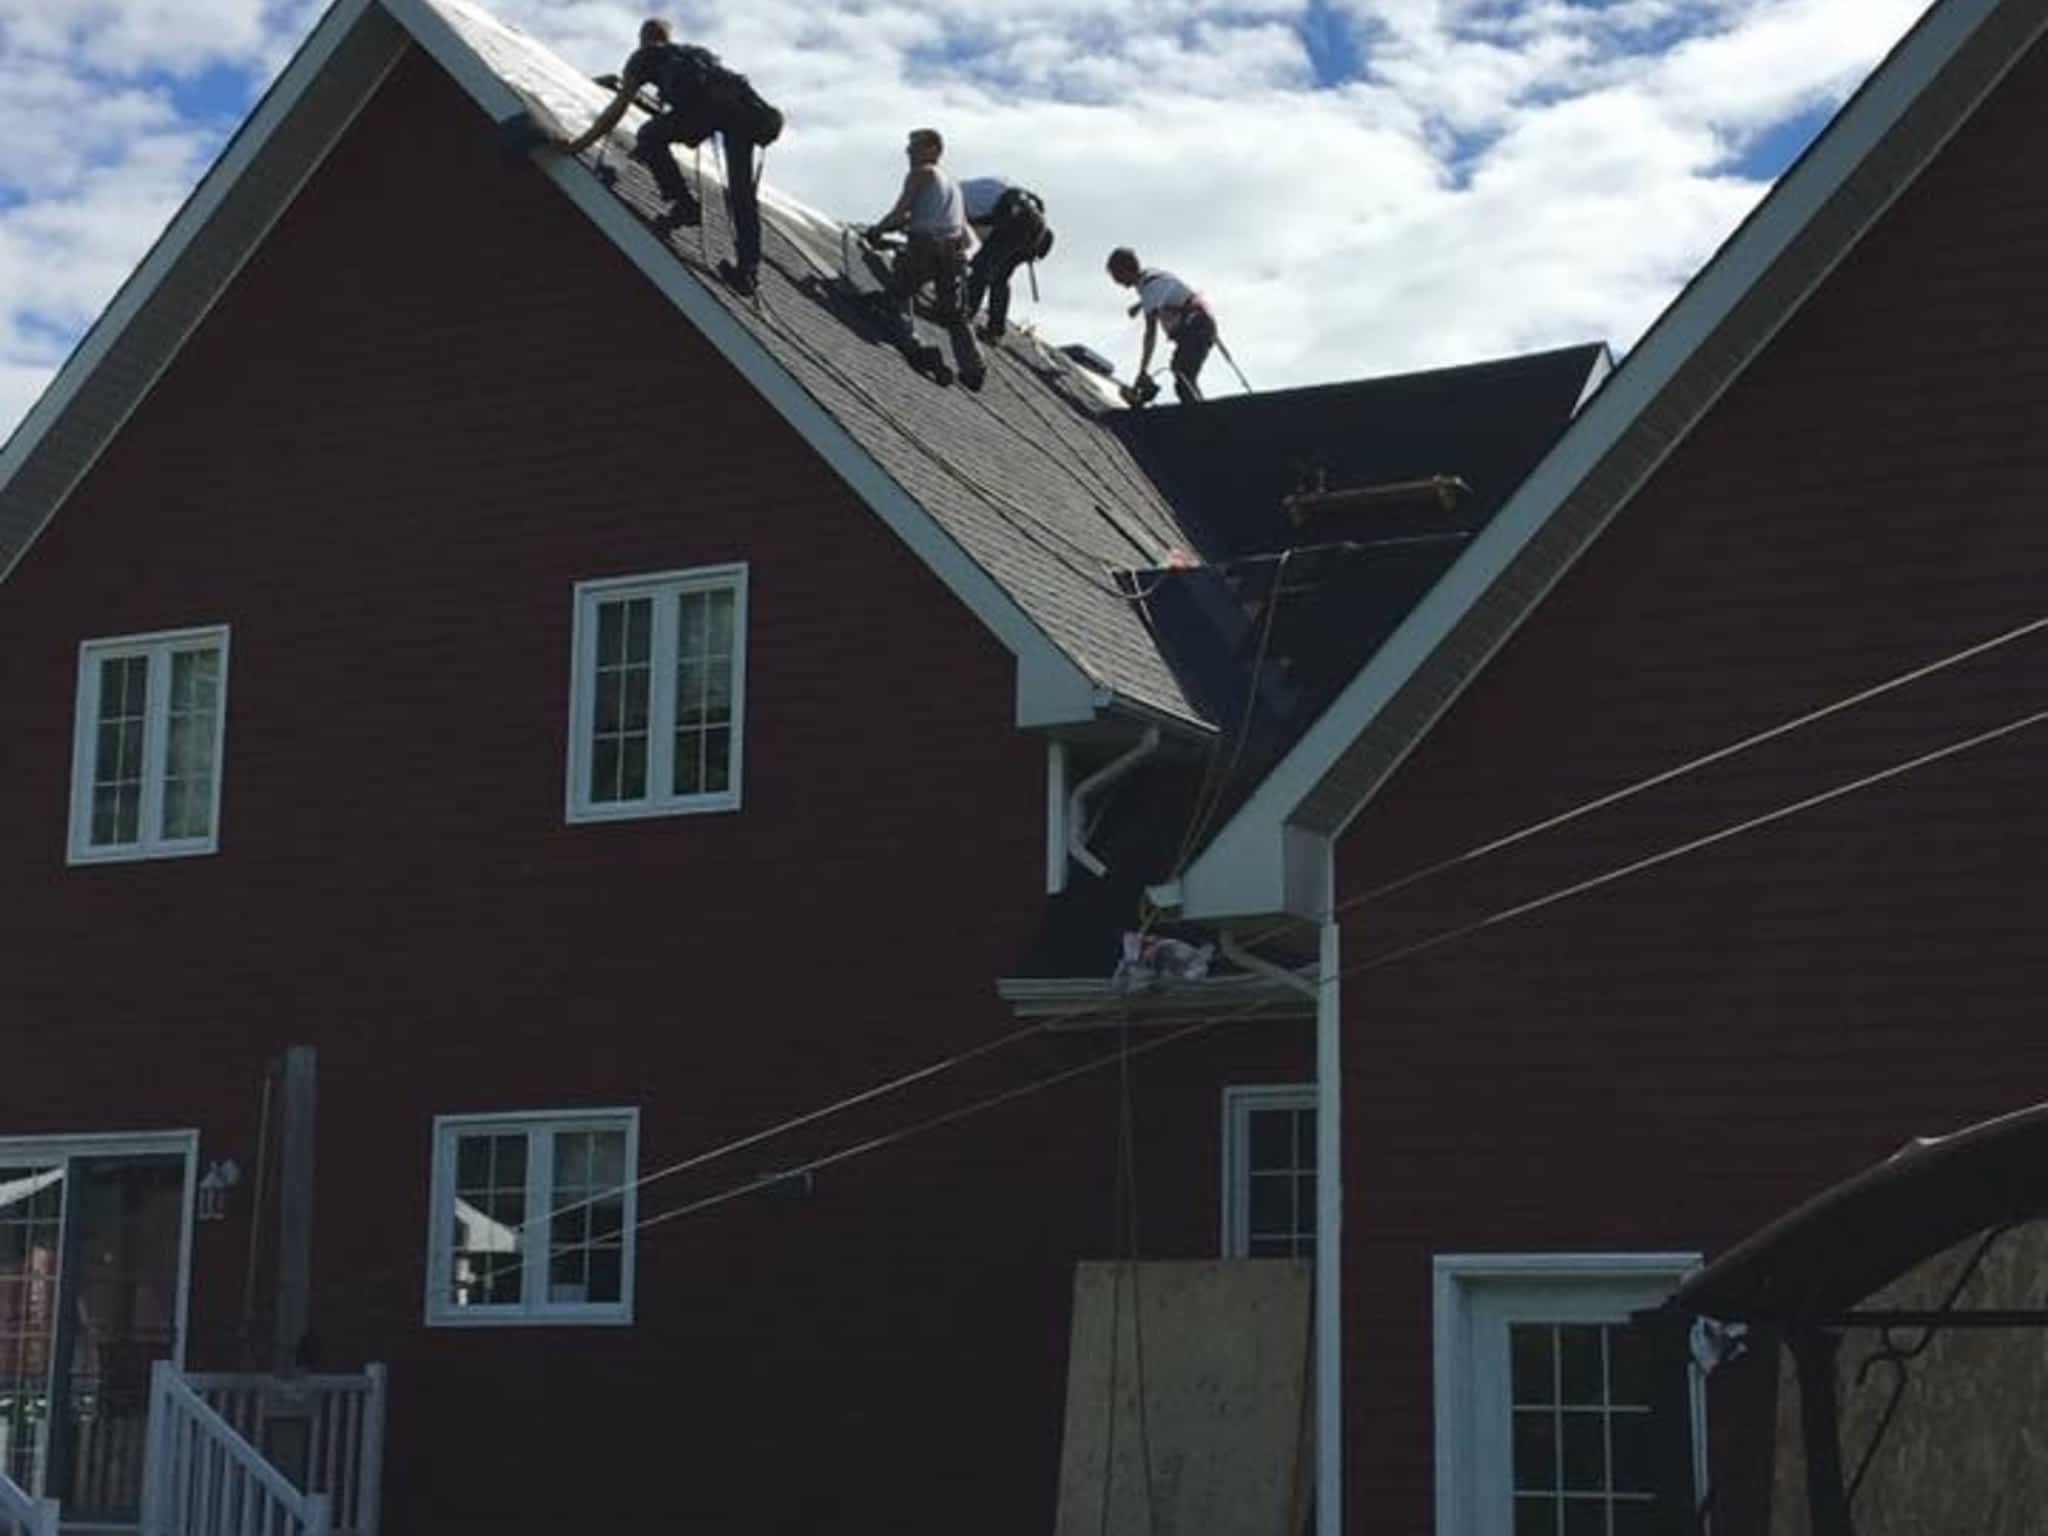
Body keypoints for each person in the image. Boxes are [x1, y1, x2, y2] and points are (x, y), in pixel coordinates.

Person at [555, 19, 781, 296]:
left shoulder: (643, 58)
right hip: (740, 120)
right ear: (668, 37)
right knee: (741, 195)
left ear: (642, 39)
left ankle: (684, 205)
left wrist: (578, 145)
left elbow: (616, 112)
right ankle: (747, 271)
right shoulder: (696, 55)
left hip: (705, 115)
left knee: (650, 136)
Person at [866, 129, 985, 389]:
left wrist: (876, 231)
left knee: (898, 294)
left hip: (924, 249)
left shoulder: (922, 173)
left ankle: (914, 345)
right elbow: (966, 235)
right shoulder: (952, 186)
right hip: (953, 256)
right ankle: (973, 368)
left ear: (933, 149)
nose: (909, 152)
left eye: (915, 146)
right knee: (955, 316)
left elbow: (900, 212)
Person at [1106, 248, 1216, 404]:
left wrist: (1142, 371)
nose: (1116, 281)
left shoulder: (1151, 288)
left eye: (1116, 275)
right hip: (1198, 325)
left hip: (1196, 327)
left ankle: (1201, 416)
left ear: (1126, 270)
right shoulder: (1149, 279)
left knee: (1183, 375)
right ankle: (1199, 410)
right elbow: (1166, 292)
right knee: (1181, 371)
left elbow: (1150, 334)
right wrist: (1139, 305)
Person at [960, 176, 1052, 342]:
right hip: (1030, 220)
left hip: (1016, 216)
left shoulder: (953, 199)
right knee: (999, 277)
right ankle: (995, 330)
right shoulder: (972, 192)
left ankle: (964, 313)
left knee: (981, 267)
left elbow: (960, 239)